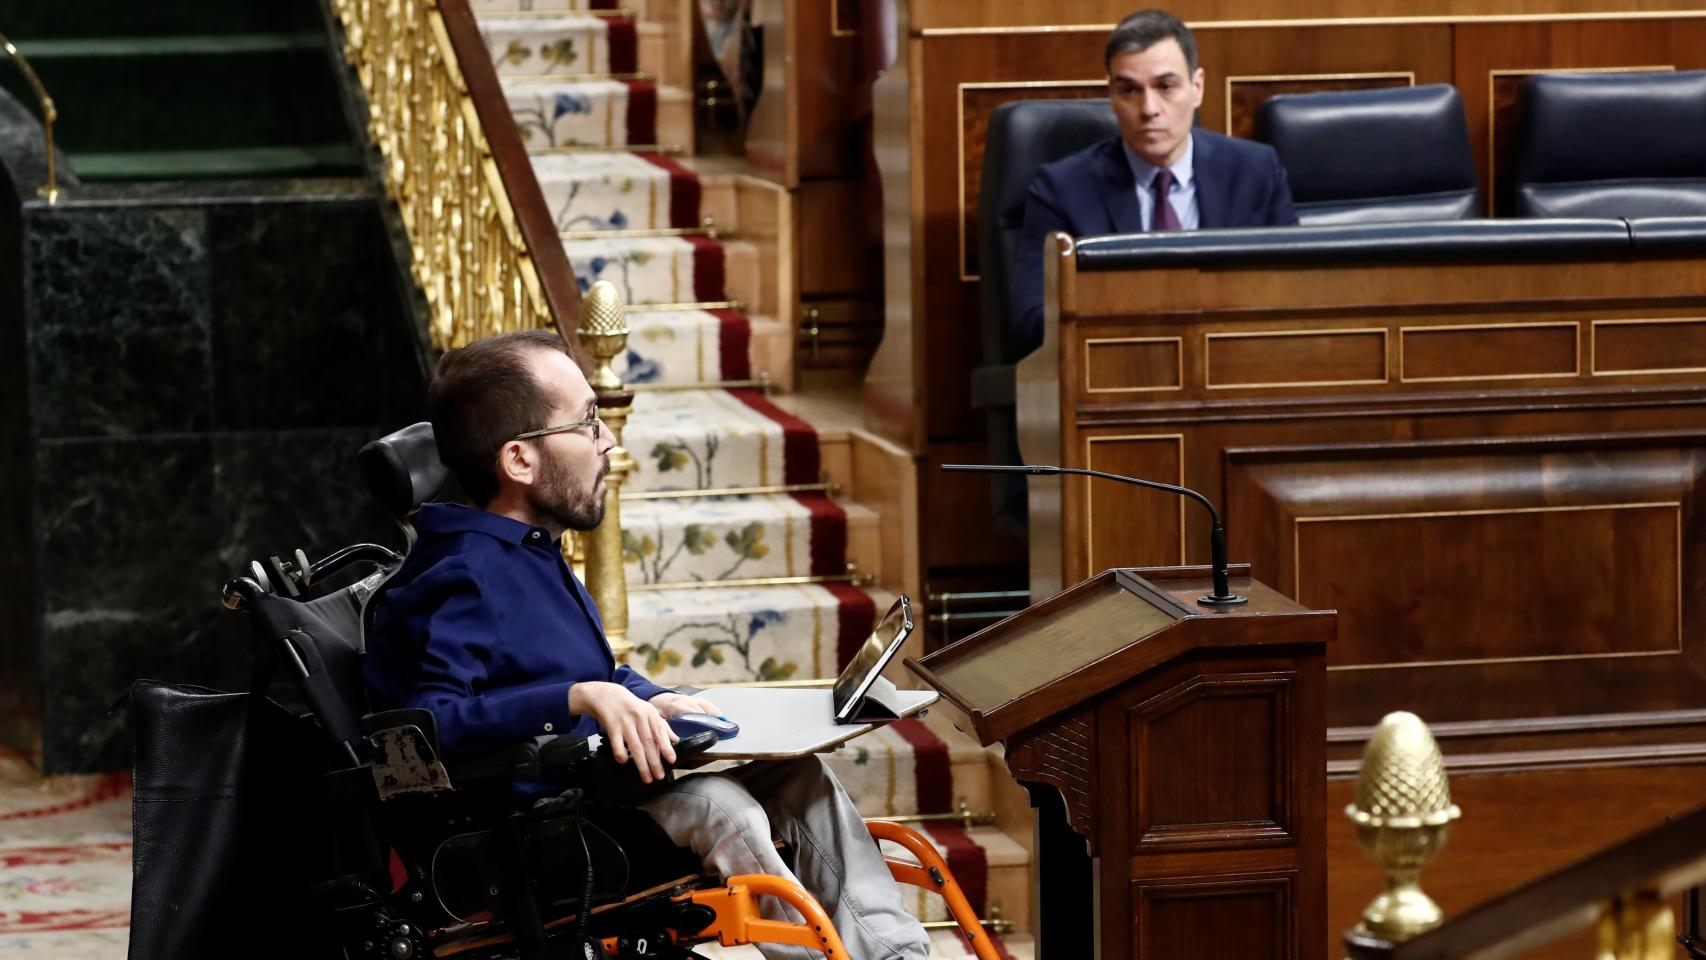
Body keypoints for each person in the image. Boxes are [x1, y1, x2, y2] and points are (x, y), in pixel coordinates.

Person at [363, 329, 930, 960]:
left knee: (800, 776)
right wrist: (579, 697)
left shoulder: (527, 551)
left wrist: (652, 698)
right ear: (519, 461)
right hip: (533, 824)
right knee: (724, 806)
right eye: (587, 422)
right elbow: (429, 725)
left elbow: (582, 671)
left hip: (598, 781)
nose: (609, 441)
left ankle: (897, 954)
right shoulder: (461, 573)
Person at [1008, 8, 1299, 354]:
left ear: (1197, 87)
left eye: (1165, 86)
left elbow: (1296, 294)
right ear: (1112, 98)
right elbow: (1029, 321)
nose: (1148, 108)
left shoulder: (1255, 172)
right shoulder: (1062, 189)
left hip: (1237, 368)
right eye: (1129, 90)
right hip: (1118, 372)